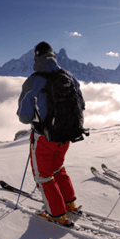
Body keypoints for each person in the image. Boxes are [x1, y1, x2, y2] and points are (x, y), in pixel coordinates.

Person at [17, 41, 85, 226]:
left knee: (44, 175)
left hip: (44, 137)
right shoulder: (69, 76)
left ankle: (55, 213)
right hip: (67, 135)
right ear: (53, 56)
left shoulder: (34, 80)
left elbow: (24, 116)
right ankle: (69, 203)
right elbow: (82, 104)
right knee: (58, 168)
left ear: (36, 57)